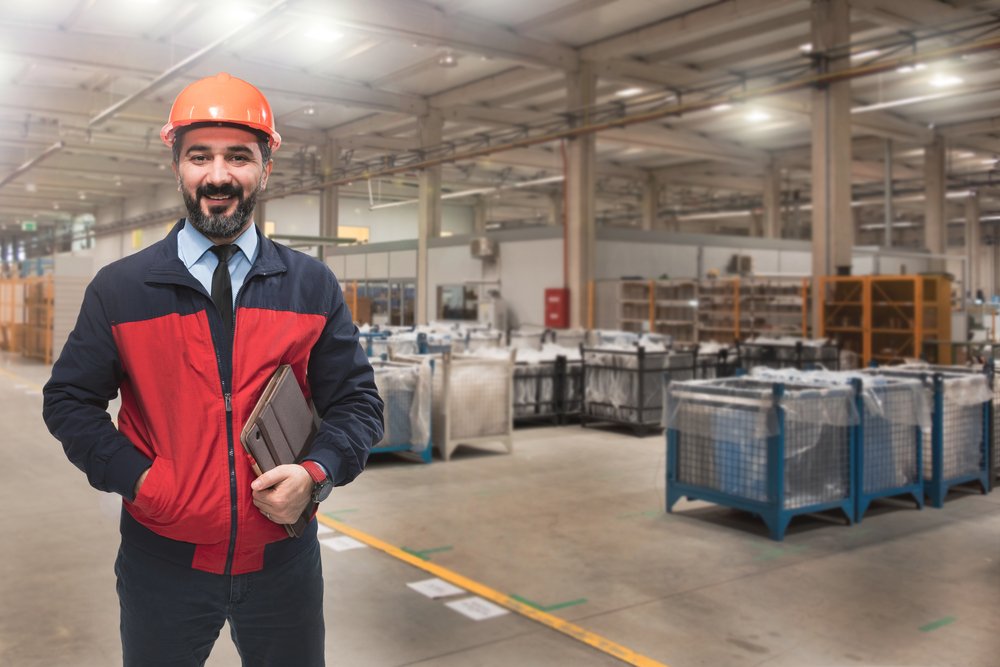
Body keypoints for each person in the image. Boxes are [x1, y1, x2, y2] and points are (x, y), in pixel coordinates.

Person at [42, 72, 384, 667]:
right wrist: (142, 481)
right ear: (178, 166)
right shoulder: (121, 289)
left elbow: (358, 403)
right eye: (200, 156)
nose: (219, 175)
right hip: (162, 564)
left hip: (284, 561)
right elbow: (69, 400)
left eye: (239, 157)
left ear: (265, 169)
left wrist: (316, 472)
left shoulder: (312, 285)